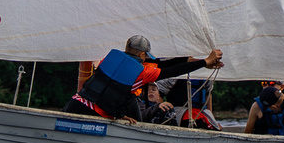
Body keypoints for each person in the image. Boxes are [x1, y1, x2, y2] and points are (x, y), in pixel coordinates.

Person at [71, 35, 222, 120]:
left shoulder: (108, 59)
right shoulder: (142, 73)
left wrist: (189, 60)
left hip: (77, 104)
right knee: (132, 101)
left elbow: (159, 63)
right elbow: (173, 70)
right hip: (97, 114)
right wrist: (205, 62)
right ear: (143, 54)